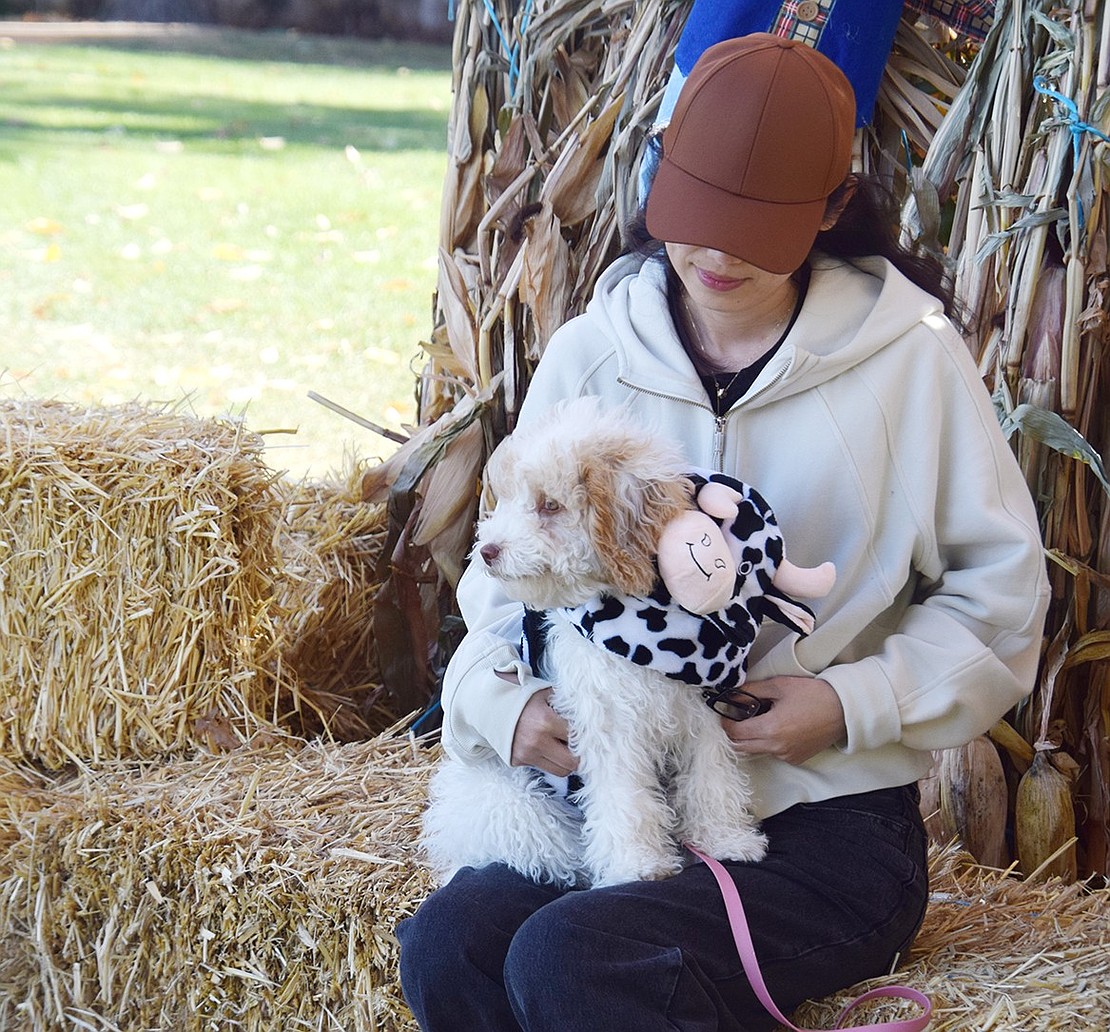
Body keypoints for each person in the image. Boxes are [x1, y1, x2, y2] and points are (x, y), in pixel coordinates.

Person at [397, 34, 1049, 1032]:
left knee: (581, 959)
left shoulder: (914, 364)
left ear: (833, 209)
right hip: (611, 795)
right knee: (450, 944)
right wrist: (506, 704)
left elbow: (1002, 598)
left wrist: (844, 703)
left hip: (827, 824)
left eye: (756, 227)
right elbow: (501, 576)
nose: (715, 253)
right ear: (659, 167)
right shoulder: (590, 352)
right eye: (697, 217)